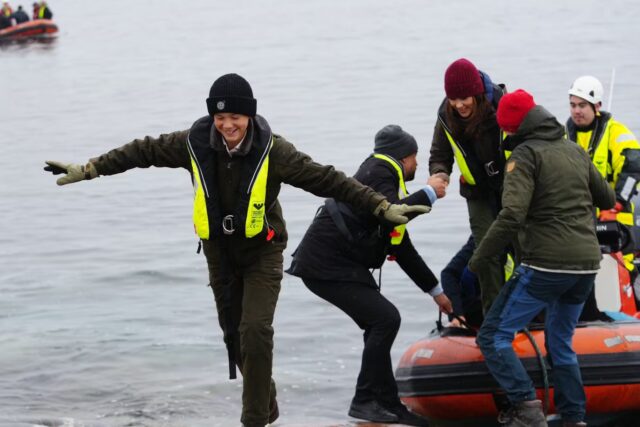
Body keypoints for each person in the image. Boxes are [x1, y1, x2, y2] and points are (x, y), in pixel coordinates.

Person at [43, 74, 428, 427]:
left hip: (262, 252)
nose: (227, 125)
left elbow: (330, 180)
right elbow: (142, 151)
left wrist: (382, 207)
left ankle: (254, 421)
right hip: (219, 254)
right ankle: (266, 400)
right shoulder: (193, 143)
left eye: (236, 118)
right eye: (220, 117)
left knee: (255, 330)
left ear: (250, 116)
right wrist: (90, 169)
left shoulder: (275, 151)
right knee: (234, 339)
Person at [288, 124, 452, 426]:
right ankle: (364, 401)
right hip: (326, 265)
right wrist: (430, 192)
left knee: (379, 323)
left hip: (337, 266)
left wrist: (436, 292)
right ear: (404, 157)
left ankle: (388, 404)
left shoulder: (380, 176)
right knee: (385, 319)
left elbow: (402, 248)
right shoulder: (379, 170)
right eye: (415, 158)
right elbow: (391, 212)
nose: (417, 164)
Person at [470, 89, 615, 427]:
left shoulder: (524, 156)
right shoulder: (574, 150)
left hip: (546, 264)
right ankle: (574, 417)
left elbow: (512, 215)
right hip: (586, 265)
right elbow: (607, 198)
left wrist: (480, 258)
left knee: (492, 336)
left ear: (511, 127)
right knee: (560, 342)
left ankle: (525, 406)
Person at [428, 58, 508, 315]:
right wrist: (439, 175)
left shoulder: (501, 105)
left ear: (477, 93)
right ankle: (494, 316)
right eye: (453, 98)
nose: (459, 104)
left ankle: (530, 313)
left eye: (464, 98)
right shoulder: (445, 115)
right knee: (485, 252)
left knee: (522, 246)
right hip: (477, 193)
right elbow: (440, 154)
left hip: (511, 188)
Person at [567, 75, 640, 270]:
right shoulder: (564, 136)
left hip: (614, 218)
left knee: (622, 270)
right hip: (577, 222)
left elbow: (634, 168)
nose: (576, 111)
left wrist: (615, 205)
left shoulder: (616, 133)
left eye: (582, 105)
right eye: (573, 105)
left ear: (597, 106)